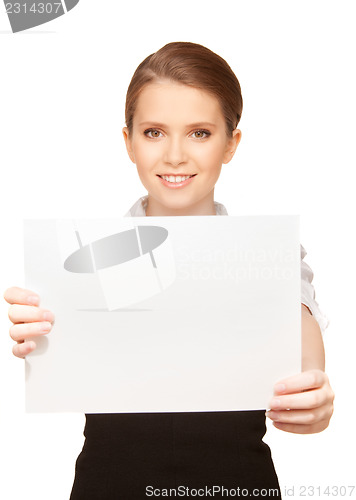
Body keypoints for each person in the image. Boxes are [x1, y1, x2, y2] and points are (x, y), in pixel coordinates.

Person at [4, 42, 334, 499]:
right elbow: (51, 349)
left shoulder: (267, 253)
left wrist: (313, 391)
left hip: (236, 486)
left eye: (199, 132)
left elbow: (301, 334)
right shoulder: (77, 266)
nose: (175, 155)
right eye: (154, 132)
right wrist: (35, 334)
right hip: (110, 486)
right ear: (129, 142)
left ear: (230, 144)